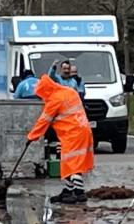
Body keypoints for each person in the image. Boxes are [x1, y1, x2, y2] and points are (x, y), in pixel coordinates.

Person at [27, 74, 95, 204]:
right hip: (83, 130)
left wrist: (32, 136)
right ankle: (69, 190)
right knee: (71, 161)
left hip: (72, 134)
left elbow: (44, 121)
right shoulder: (70, 91)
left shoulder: (54, 100)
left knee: (72, 164)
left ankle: (79, 192)